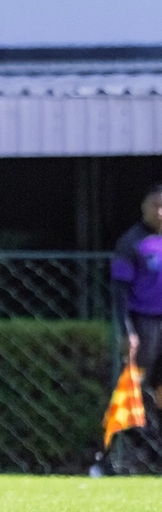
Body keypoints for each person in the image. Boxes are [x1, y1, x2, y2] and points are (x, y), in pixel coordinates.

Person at [110, 182, 162, 471]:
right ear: (144, 207)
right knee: (135, 387)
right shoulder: (132, 242)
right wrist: (127, 330)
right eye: (156, 205)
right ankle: (129, 452)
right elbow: (119, 290)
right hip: (145, 325)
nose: (161, 212)